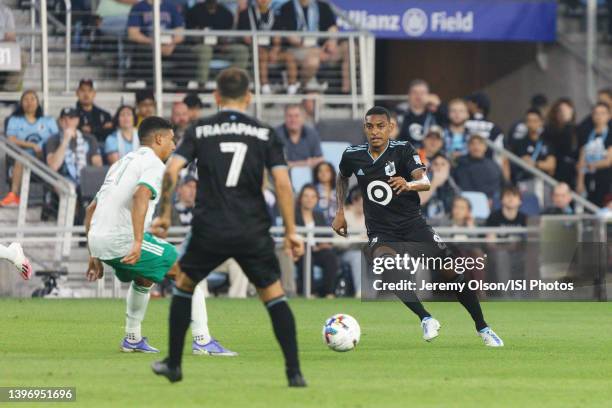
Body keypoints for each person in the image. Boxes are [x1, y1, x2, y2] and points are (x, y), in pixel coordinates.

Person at [150, 68, 306, 386]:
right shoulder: (265, 133)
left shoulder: (200, 130)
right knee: (274, 296)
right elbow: (282, 183)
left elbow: (172, 171)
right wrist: (291, 231)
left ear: (216, 97)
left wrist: (164, 214)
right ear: (249, 97)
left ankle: (175, 364)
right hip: (252, 228)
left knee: (184, 287)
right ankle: (294, 373)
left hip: (210, 227)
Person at [332, 106, 504, 347]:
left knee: (451, 271)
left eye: (381, 126)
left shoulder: (403, 150)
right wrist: (340, 211)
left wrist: (408, 184)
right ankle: (425, 318)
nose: (375, 131)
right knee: (385, 263)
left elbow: (424, 181)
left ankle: (483, 327)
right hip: (382, 231)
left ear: (390, 128)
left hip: (413, 226)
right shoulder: (353, 155)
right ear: (365, 128)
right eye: (370, 126)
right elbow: (342, 176)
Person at [85, 116, 236, 356]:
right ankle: (203, 341)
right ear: (158, 139)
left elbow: (91, 209)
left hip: (99, 240)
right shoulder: (154, 164)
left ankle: (132, 338)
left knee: (144, 279)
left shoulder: (122, 163)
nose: (174, 145)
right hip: (121, 240)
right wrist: (137, 241)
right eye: (171, 139)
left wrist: (93, 254)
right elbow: (141, 195)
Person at [171, 175, 249, 299]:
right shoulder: (169, 210)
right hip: (183, 253)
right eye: (189, 186)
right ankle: (202, 299)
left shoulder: (206, 209)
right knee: (194, 262)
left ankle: (237, 299)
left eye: (196, 187)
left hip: (211, 252)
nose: (193, 190)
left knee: (237, 262)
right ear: (179, 189)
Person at [1, 90, 58, 207]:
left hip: (45, 156)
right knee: (21, 158)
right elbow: (10, 139)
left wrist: (42, 148)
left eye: (33, 99)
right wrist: (31, 145)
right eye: (26, 99)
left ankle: (53, 198)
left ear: (38, 102)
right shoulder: (14, 120)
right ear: (21, 103)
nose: (29, 102)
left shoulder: (48, 121)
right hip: (24, 156)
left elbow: (57, 139)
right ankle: (14, 196)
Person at [277, 0, 349, 92]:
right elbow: (290, 37)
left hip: (323, 50)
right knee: (313, 60)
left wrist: (331, 43)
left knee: (346, 48)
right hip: (298, 49)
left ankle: (346, 91)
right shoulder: (287, 7)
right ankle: (303, 87)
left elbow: (332, 28)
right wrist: (317, 51)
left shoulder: (323, 6)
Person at [237, 0, 299, 95]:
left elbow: (277, 36)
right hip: (253, 49)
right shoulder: (246, 14)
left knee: (289, 56)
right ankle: (265, 87)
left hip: (271, 51)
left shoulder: (275, 15)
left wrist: (275, 50)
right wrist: (256, 46)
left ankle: (292, 87)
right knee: (263, 54)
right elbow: (245, 37)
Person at [127, 0, 192, 87]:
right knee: (143, 51)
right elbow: (133, 34)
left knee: (185, 52)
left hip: (168, 44)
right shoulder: (138, 7)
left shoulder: (171, 7)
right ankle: (150, 87)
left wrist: (171, 44)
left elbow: (180, 33)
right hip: (148, 45)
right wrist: (154, 44)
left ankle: (181, 87)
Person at [185, 0, 249, 87]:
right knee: (206, 50)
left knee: (242, 50)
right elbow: (190, 34)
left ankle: (233, 82)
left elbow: (228, 35)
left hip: (221, 47)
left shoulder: (226, 13)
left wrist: (223, 43)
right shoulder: (194, 11)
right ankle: (202, 85)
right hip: (199, 46)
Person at [295, 184, 339, 298]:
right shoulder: (294, 215)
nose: (309, 199)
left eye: (313, 197)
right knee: (307, 256)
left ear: (316, 200)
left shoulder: (319, 215)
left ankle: (329, 292)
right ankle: (311, 292)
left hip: (317, 250)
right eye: (306, 196)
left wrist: (324, 244)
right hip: (300, 251)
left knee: (330, 257)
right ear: (300, 198)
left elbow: (327, 235)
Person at [576, 102, 612, 206]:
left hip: (605, 178)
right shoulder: (587, 134)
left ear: (609, 116)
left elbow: (608, 161)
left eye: (602, 113)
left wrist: (591, 165)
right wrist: (580, 181)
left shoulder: (610, 134)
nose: (599, 116)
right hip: (588, 178)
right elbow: (581, 158)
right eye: (596, 113)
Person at [453, 134, 503, 200]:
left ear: (485, 147)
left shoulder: (493, 165)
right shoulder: (459, 164)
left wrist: (491, 199)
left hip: (489, 202)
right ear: (468, 147)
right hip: (464, 200)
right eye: (473, 144)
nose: (476, 147)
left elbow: (498, 187)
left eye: (480, 144)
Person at [512, 109, 556, 182]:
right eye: (529, 121)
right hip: (524, 181)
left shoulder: (547, 144)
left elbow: (551, 165)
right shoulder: (519, 143)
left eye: (535, 121)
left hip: (542, 183)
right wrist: (543, 164)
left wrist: (535, 164)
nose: (531, 124)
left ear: (541, 122)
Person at [543, 98, 579, 188]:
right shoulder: (549, 130)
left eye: (567, 110)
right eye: (561, 111)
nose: (564, 114)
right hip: (557, 170)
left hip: (572, 172)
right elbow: (563, 145)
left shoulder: (577, 130)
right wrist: (567, 124)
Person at [397, 79, 444, 147]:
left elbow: (449, 119)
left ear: (428, 96)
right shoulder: (400, 113)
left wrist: (439, 105)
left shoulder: (435, 114)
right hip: (403, 154)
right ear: (409, 95)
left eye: (422, 93)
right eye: (414, 92)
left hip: (427, 155)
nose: (418, 96)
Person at [419, 154, 459, 222]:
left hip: (447, 226)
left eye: (443, 164)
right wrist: (434, 183)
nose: (439, 167)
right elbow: (417, 201)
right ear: (431, 168)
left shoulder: (455, 184)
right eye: (435, 164)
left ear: (449, 167)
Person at [75, 79, 113, 144]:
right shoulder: (71, 115)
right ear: (77, 93)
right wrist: (101, 128)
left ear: (94, 93)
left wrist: (91, 129)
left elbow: (109, 133)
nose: (86, 94)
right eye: (83, 90)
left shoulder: (105, 114)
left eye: (89, 90)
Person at [0, 2, 23, 91]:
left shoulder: (5, 11)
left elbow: (11, 36)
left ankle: (7, 93)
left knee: (22, 56)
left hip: (2, 48)